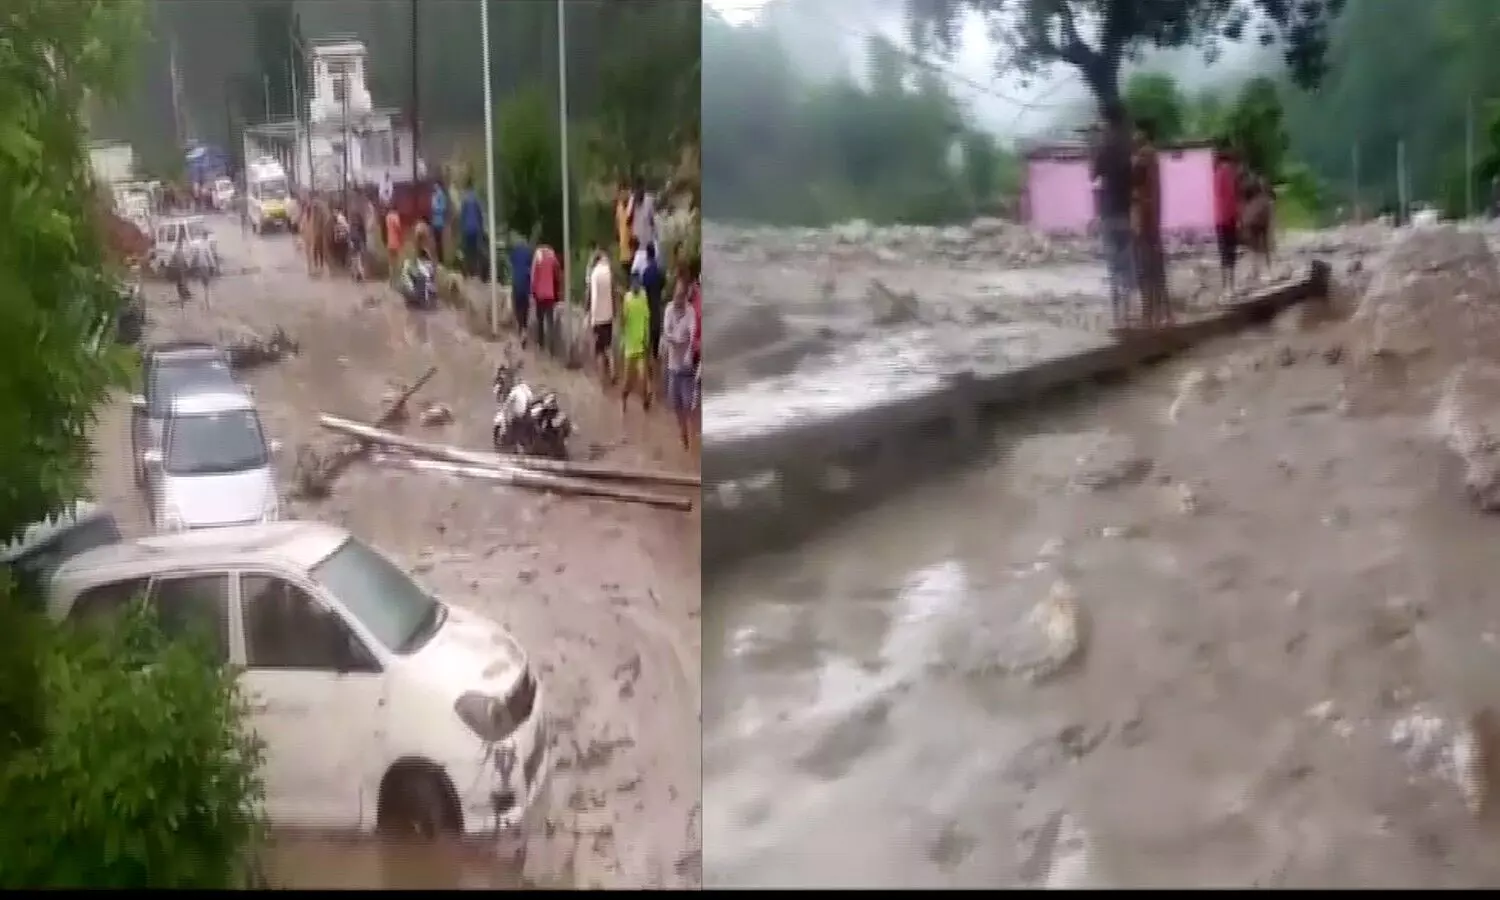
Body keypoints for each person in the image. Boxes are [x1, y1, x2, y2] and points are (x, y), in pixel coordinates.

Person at [1091, 106, 1135, 328]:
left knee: (1113, 266)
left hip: (1109, 213)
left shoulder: (1104, 148)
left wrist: (1096, 143)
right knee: (1127, 266)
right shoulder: (1128, 146)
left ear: (1106, 121)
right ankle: (1127, 313)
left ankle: (1118, 317)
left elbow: (1093, 175)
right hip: (1126, 212)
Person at [1131, 120, 1168, 327]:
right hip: (1152, 217)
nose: (1133, 136)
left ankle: (1150, 315)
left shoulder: (1143, 156)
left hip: (1145, 219)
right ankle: (1162, 313)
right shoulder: (1152, 156)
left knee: (1146, 269)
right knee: (1156, 268)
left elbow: (1133, 179)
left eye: (1136, 132)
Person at [660, 260, 698, 451]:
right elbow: (666, 333)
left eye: (681, 296)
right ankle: (684, 434)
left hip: (686, 366)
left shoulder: (690, 312)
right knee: (676, 405)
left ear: (685, 297)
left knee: (689, 405)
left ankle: (692, 440)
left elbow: (691, 336)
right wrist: (677, 340)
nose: (677, 299)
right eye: (676, 295)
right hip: (673, 365)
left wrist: (683, 345)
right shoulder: (668, 310)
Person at [619, 273, 652, 413]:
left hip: (641, 345)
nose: (636, 285)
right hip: (629, 346)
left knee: (643, 377)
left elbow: (647, 319)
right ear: (631, 284)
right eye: (634, 283)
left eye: (638, 283)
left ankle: (646, 402)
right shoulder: (627, 298)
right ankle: (624, 398)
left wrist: (647, 339)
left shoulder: (644, 296)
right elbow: (623, 322)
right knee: (628, 382)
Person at [1213, 145, 1241, 297]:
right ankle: (1230, 287)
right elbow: (1230, 197)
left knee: (1223, 252)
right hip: (1228, 218)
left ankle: (1225, 288)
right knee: (1230, 253)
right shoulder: (1228, 172)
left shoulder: (1217, 172)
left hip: (1218, 219)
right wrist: (1237, 217)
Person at [587, 248, 616, 384]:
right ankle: (613, 372)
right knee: (608, 346)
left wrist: (588, 313)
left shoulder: (594, 274)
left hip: (597, 317)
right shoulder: (609, 272)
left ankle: (601, 378)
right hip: (608, 316)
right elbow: (614, 293)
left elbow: (590, 295)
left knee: (599, 348)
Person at [639, 243, 667, 377]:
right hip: (657, 310)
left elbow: (643, 291)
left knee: (647, 345)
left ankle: (649, 373)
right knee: (656, 346)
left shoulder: (645, 273)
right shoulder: (660, 272)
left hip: (648, 311)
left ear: (647, 256)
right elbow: (663, 285)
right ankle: (656, 371)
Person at [530, 239, 561, 353]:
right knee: (550, 321)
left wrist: (533, 291)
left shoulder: (537, 256)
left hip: (539, 294)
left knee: (540, 320)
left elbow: (533, 277)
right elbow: (557, 273)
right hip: (550, 294)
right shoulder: (552, 256)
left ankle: (541, 344)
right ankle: (551, 348)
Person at [508, 232, 534, 347]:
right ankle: (524, 328)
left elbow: (511, 263)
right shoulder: (528, 252)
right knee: (525, 308)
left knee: (517, 307)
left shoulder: (514, 252)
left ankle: (521, 329)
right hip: (526, 284)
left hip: (517, 284)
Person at [459, 182, 484, 278]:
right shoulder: (476, 199)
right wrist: (481, 229)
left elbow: (462, 216)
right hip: (475, 229)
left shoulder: (464, 200)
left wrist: (461, 230)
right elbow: (480, 215)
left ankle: (467, 272)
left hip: (466, 229)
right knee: (475, 251)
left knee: (467, 252)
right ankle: (475, 271)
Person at [631, 179, 657, 258]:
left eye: (641, 188)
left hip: (647, 238)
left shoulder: (649, 200)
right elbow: (629, 218)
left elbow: (652, 219)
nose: (639, 190)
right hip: (636, 240)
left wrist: (654, 235)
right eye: (638, 188)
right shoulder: (632, 200)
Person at [616, 184, 635, 272]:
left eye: (625, 191)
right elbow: (617, 224)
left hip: (633, 248)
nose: (623, 195)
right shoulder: (619, 207)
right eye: (621, 193)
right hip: (624, 250)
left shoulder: (633, 207)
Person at [429, 179, 448, 262]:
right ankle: (437, 259)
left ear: (438, 185)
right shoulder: (434, 195)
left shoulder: (441, 195)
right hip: (435, 221)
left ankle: (441, 259)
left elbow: (443, 207)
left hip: (439, 221)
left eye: (435, 185)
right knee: (436, 241)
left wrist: (435, 208)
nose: (434, 186)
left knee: (439, 241)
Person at [384, 205, 403, 283]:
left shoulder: (387, 217)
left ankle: (391, 278)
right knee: (396, 260)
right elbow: (398, 227)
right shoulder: (395, 216)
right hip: (396, 240)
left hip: (389, 240)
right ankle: (396, 277)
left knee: (391, 261)